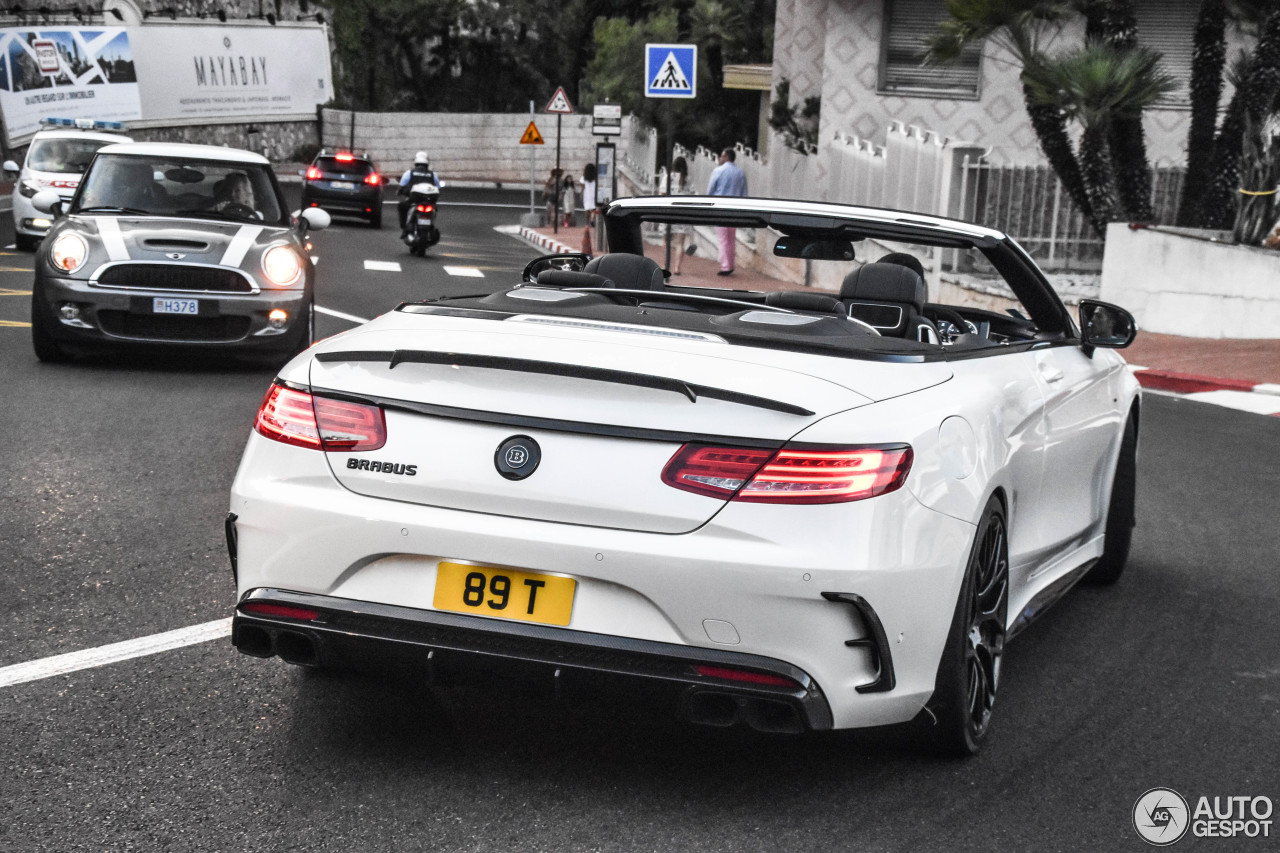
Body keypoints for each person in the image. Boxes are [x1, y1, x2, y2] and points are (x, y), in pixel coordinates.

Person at [707, 147, 747, 275]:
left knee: (723, 238)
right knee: (731, 238)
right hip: (735, 209)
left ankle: (726, 266)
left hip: (721, 208)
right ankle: (730, 263)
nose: (720, 158)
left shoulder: (718, 171)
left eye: (722, 156)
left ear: (726, 157)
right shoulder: (740, 173)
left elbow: (711, 190)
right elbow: (744, 194)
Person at [663, 156, 694, 274]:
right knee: (680, 243)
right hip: (682, 214)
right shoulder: (687, 179)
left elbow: (662, 193)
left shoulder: (667, 178)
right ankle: (677, 268)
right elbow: (691, 196)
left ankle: (667, 264)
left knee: (666, 241)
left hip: (668, 213)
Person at [398, 151, 439, 231]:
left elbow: (402, 185)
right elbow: (437, 186)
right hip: (429, 199)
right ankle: (431, 224)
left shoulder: (409, 173)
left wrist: (399, 191)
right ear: (427, 163)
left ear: (415, 162)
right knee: (435, 208)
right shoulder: (432, 174)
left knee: (401, 206)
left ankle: (404, 227)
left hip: (414, 199)